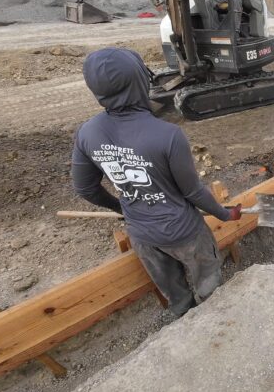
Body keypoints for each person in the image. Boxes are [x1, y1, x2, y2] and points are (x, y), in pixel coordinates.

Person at [71, 48, 241, 319]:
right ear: (139, 80)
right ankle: (210, 319)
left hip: (143, 237)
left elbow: (85, 188)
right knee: (207, 279)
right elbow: (192, 191)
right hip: (185, 233)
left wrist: (123, 208)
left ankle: (184, 318)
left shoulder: (87, 132)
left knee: (174, 293)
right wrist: (224, 213)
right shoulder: (168, 135)